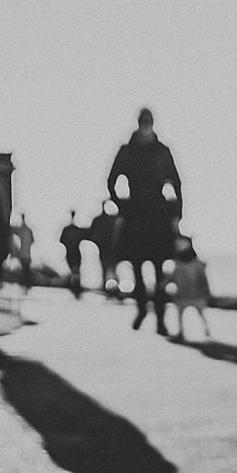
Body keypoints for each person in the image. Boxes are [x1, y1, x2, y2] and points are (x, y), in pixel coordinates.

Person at [108, 107, 182, 334]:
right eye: (143, 120)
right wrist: (123, 205)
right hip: (135, 213)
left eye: (149, 120)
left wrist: (176, 214)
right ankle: (141, 308)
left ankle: (160, 318)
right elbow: (111, 180)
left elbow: (176, 184)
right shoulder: (126, 150)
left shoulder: (162, 151)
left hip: (159, 213)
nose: (146, 124)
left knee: (160, 269)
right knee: (137, 265)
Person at [168, 235, 210, 343]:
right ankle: (181, 333)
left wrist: (206, 292)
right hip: (182, 294)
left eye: (182, 243)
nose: (179, 245)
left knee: (201, 314)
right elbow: (173, 276)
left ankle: (207, 332)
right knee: (180, 315)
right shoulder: (177, 261)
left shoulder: (197, 263)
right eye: (178, 244)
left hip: (197, 295)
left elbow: (203, 278)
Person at [88, 201, 121, 297]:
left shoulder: (106, 219)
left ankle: (110, 286)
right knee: (109, 267)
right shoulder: (109, 219)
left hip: (110, 248)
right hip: (107, 248)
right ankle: (110, 286)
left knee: (109, 267)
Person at [59, 210, 86, 299]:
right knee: (75, 270)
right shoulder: (74, 229)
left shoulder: (68, 229)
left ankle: (74, 285)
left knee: (74, 270)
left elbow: (62, 240)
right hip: (74, 252)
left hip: (71, 252)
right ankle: (75, 285)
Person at [10, 213, 34, 292]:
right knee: (26, 270)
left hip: (23, 253)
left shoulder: (22, 229)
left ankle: (25, 283)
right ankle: (26, 284)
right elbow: (33, 241)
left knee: (25, 270)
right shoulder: (28, 230)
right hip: (27, 253)